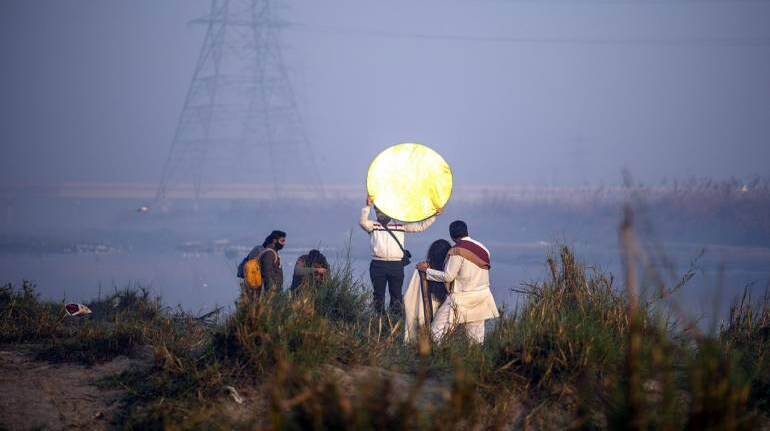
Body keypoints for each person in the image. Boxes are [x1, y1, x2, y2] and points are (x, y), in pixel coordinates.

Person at [417, 220, 498, 343]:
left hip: (461, 298)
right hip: (482, 296)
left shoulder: (457, 251)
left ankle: (438, 357)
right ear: (467, 231)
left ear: (452, 236)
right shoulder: (484, 248)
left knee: (436, 331)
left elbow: (448, 277)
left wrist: (427, 271)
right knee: (476, 340)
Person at [359, 195, 440, 315]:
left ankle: (395, 321)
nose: (379, 213)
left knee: (396, 296)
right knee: (378, 296)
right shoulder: (373, 225)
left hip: (396, 265)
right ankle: (379, 322)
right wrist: (367, 206)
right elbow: (362, 222)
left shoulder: (400, 224)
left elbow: (420, 227)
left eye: (381, 211)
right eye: (377, 211)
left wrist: (433, 216)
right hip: (378, 264)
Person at [403, 239, 452, 343]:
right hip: (442, 308)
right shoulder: (448, 270)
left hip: (422, 311)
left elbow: (410, 295)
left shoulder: (421, 269)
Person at [238, 230, 286, 302]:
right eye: (282, 241)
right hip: (264, 290)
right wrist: (271, 291)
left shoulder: (268, 251)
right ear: (274, 240)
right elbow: (267, 273)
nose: (284, 243)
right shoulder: (268, 253)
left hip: (261, 290)